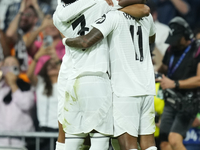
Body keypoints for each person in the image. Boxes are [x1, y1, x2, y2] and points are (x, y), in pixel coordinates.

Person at [53, 0, 150, 150]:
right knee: (100, 141)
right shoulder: (99, 5)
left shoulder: (57, 17)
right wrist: (117, 9)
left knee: (71, 140)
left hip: (70, 77)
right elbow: (143, 8)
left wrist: (65, 41)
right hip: (96, 78)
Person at [156, 17, 200, 150]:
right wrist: (156, 75)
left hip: (189, 102)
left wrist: (174, 83)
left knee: (174, 140)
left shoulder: (197, 50)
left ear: (185, 35)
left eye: (177, 39)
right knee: (164, 143)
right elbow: (163, 68)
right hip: (171, 100)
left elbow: (199, 79)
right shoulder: (171, 49)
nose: (173, 43)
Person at [27, 43, 62, 150]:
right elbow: (29, 75)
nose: (52, 65)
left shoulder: (64, 83)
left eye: (54, 64)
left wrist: (56, 58)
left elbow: (67, 73)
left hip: (61, 130)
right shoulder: (40, 83)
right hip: (44, 131)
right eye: (49, 64)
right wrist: (38, 56)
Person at [0, 56, 35, 147]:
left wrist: (13, 85)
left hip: (21, 143)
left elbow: (26, 104)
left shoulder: (26, 87)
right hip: (2, 142)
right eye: (6, 65)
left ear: (19, 69)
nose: (10, 67)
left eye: (13, 65)